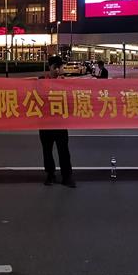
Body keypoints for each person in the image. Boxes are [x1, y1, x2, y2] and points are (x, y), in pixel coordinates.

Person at [39, 55, 76, 188]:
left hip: (60, 123)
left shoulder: (64, 83)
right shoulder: (41, 81)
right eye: (57, 67)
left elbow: (70, 100)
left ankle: (67, 176)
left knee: (63, 151)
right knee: (47, 151)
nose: (59, 70)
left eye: (60, 67)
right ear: (51, 67)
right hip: (45, 123)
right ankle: (50, 174)